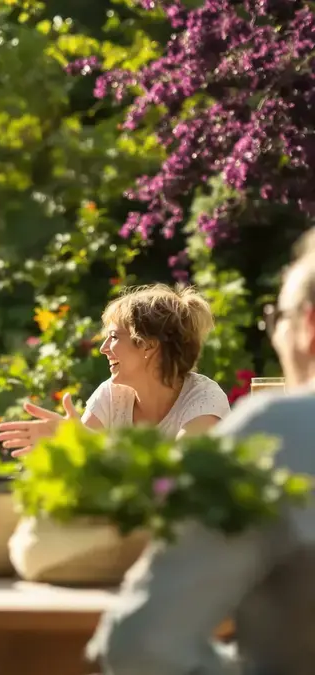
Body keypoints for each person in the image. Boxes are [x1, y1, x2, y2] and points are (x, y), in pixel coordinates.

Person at [87, 235, 315, 674]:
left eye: (277, 317)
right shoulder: (111, 395)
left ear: (308, 326)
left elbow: (143, 645)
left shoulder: (275, 432)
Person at [0, 284, 230, 455]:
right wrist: (65, 448)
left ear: (148, 344)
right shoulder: (111, 394)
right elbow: (87, 472)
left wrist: (87, 442)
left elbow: (176, 479)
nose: (103, 349)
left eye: (114, 337)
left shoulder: (204, 400)